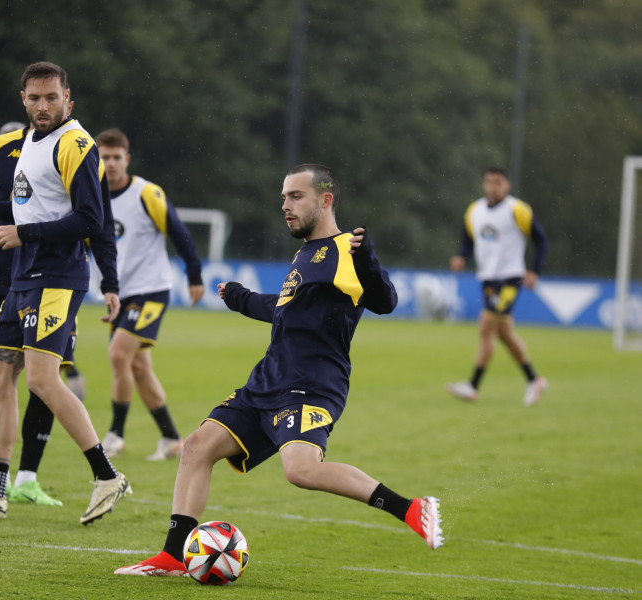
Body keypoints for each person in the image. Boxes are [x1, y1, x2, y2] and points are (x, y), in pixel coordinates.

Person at [115, 164, 443, 577]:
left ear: (325, 200)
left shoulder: (348, 250)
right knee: (197, 447)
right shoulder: (305, 254)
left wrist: (369, 261)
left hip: (310, 384)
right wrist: (241, 298)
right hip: (267, 381)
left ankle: (413, 509)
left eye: (295, 197)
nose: (285, 206)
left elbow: (385, 300)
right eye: (284, 198)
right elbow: (285, 310)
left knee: (301, 470)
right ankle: (172, 556)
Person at [0, 61, 130, 524]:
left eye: (51, 97)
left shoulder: (76, 144)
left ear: (69, 98)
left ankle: (107, 476)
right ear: (22, 99)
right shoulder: (31, 141)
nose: (42, 106)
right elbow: (39, 202)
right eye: (34, 98)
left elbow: (91, 220)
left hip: (57, 278)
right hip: (23, 278)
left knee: (44, 381)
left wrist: (22, 233)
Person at [94, 128, 204, 461]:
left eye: (116, 157)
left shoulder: (146, 193)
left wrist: (194, 275)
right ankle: (171, 439)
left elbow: (179, 232)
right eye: (104, 157)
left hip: (151, 290)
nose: (110, 163)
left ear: (126, 159)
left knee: (117, 355)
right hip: (119, 295)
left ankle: (115, 434)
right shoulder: (91, 196)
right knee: (139, 368)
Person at [446, 166, 550, 406]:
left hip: (510, 278)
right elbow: (469, 240)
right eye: (489, 182)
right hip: (488, 279)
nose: (493, 187)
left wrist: (534, 270)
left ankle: (472, 386)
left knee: (485, 327)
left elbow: (541, 240)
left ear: (507, 185)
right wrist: (461, 256)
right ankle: (534, 380)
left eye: (498, 182)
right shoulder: (475, 211)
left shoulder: (517, 210)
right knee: (503, 333)